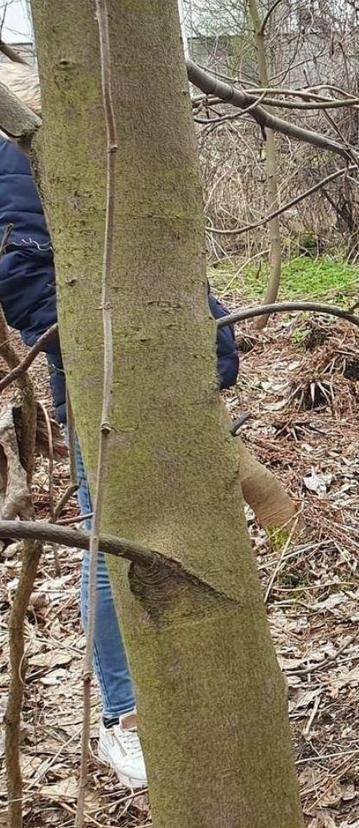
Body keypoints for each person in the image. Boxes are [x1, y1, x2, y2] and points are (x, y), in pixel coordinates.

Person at [0, 62, 239, 788]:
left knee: (177, 527)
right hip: (107, 384)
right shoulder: (25, 158)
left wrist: (214, 337)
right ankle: (124, 713)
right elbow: (22, 273)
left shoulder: (124, 156)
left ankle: (186, 681)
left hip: (167, 378)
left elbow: (166, 262)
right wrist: (109, 353)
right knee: (116, 539)